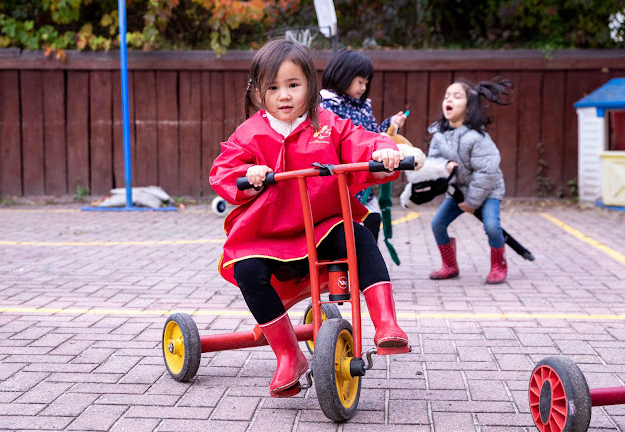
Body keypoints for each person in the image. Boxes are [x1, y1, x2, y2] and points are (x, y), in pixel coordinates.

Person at [209, 39, 409, 398]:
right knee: (247, 270)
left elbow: (360, 141)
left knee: (357, 235)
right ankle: (288, 355)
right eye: (272, 88)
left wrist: (384, 151)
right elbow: (224, 169)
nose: (283, 96)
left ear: (310, 87)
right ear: (257, 94)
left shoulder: (328, 124)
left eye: (292, 85)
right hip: (268, 233)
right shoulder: (250, 133)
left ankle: (386, 324)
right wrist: (250, 174)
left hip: (322, 224)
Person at [427, 77, 513, 284]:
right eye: (447, 96)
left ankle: (498, 265)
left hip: (488, 190)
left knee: (492, 227)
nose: (449, 99)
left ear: (468, 107)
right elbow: (433, 160)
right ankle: (449, 265)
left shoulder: (477, 137)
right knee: (438, 224)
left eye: (457, 96)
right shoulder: (439, 134)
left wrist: (472, 203)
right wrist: (443, 165)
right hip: (459, 191)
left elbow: (487, 172)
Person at [320, 49, 408, 241]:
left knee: (372, 222)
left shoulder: (363, 106)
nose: (363, 87)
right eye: (360, 81)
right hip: (338, 183)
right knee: (341, 232)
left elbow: (373, 134)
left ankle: (366, 266)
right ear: (343, 76)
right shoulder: (326, 105)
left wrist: (391, 124)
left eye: (366, 83)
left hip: (364, 185)